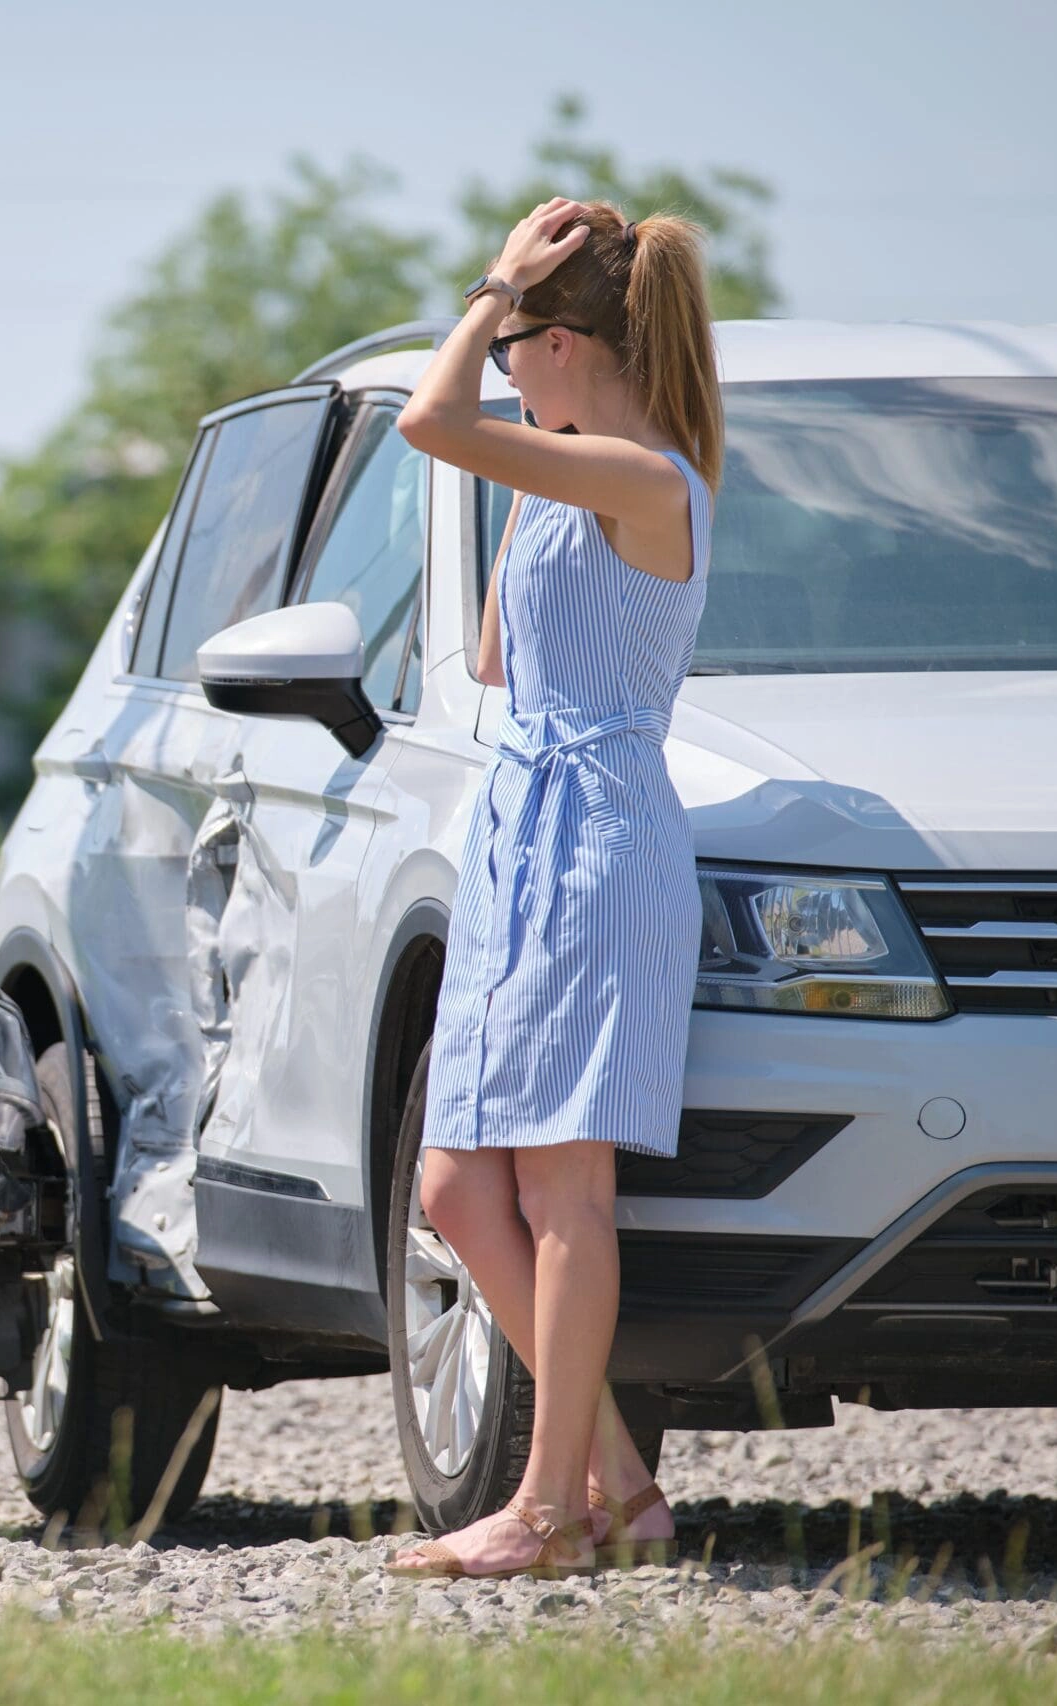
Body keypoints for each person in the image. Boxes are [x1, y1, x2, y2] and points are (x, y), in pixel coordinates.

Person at [381, 197, 721, 1579]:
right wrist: (532, 458)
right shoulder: (573, 477)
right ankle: (620, 1482)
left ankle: (545, 1509)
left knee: (565, 1189)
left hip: (598, 841)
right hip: (520, 833)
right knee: (458, 1187)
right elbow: (501, 653)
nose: (500, 359)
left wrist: (486, 286)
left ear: (563, 341)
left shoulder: (653, 479)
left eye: (516, 340)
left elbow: (426, 422)